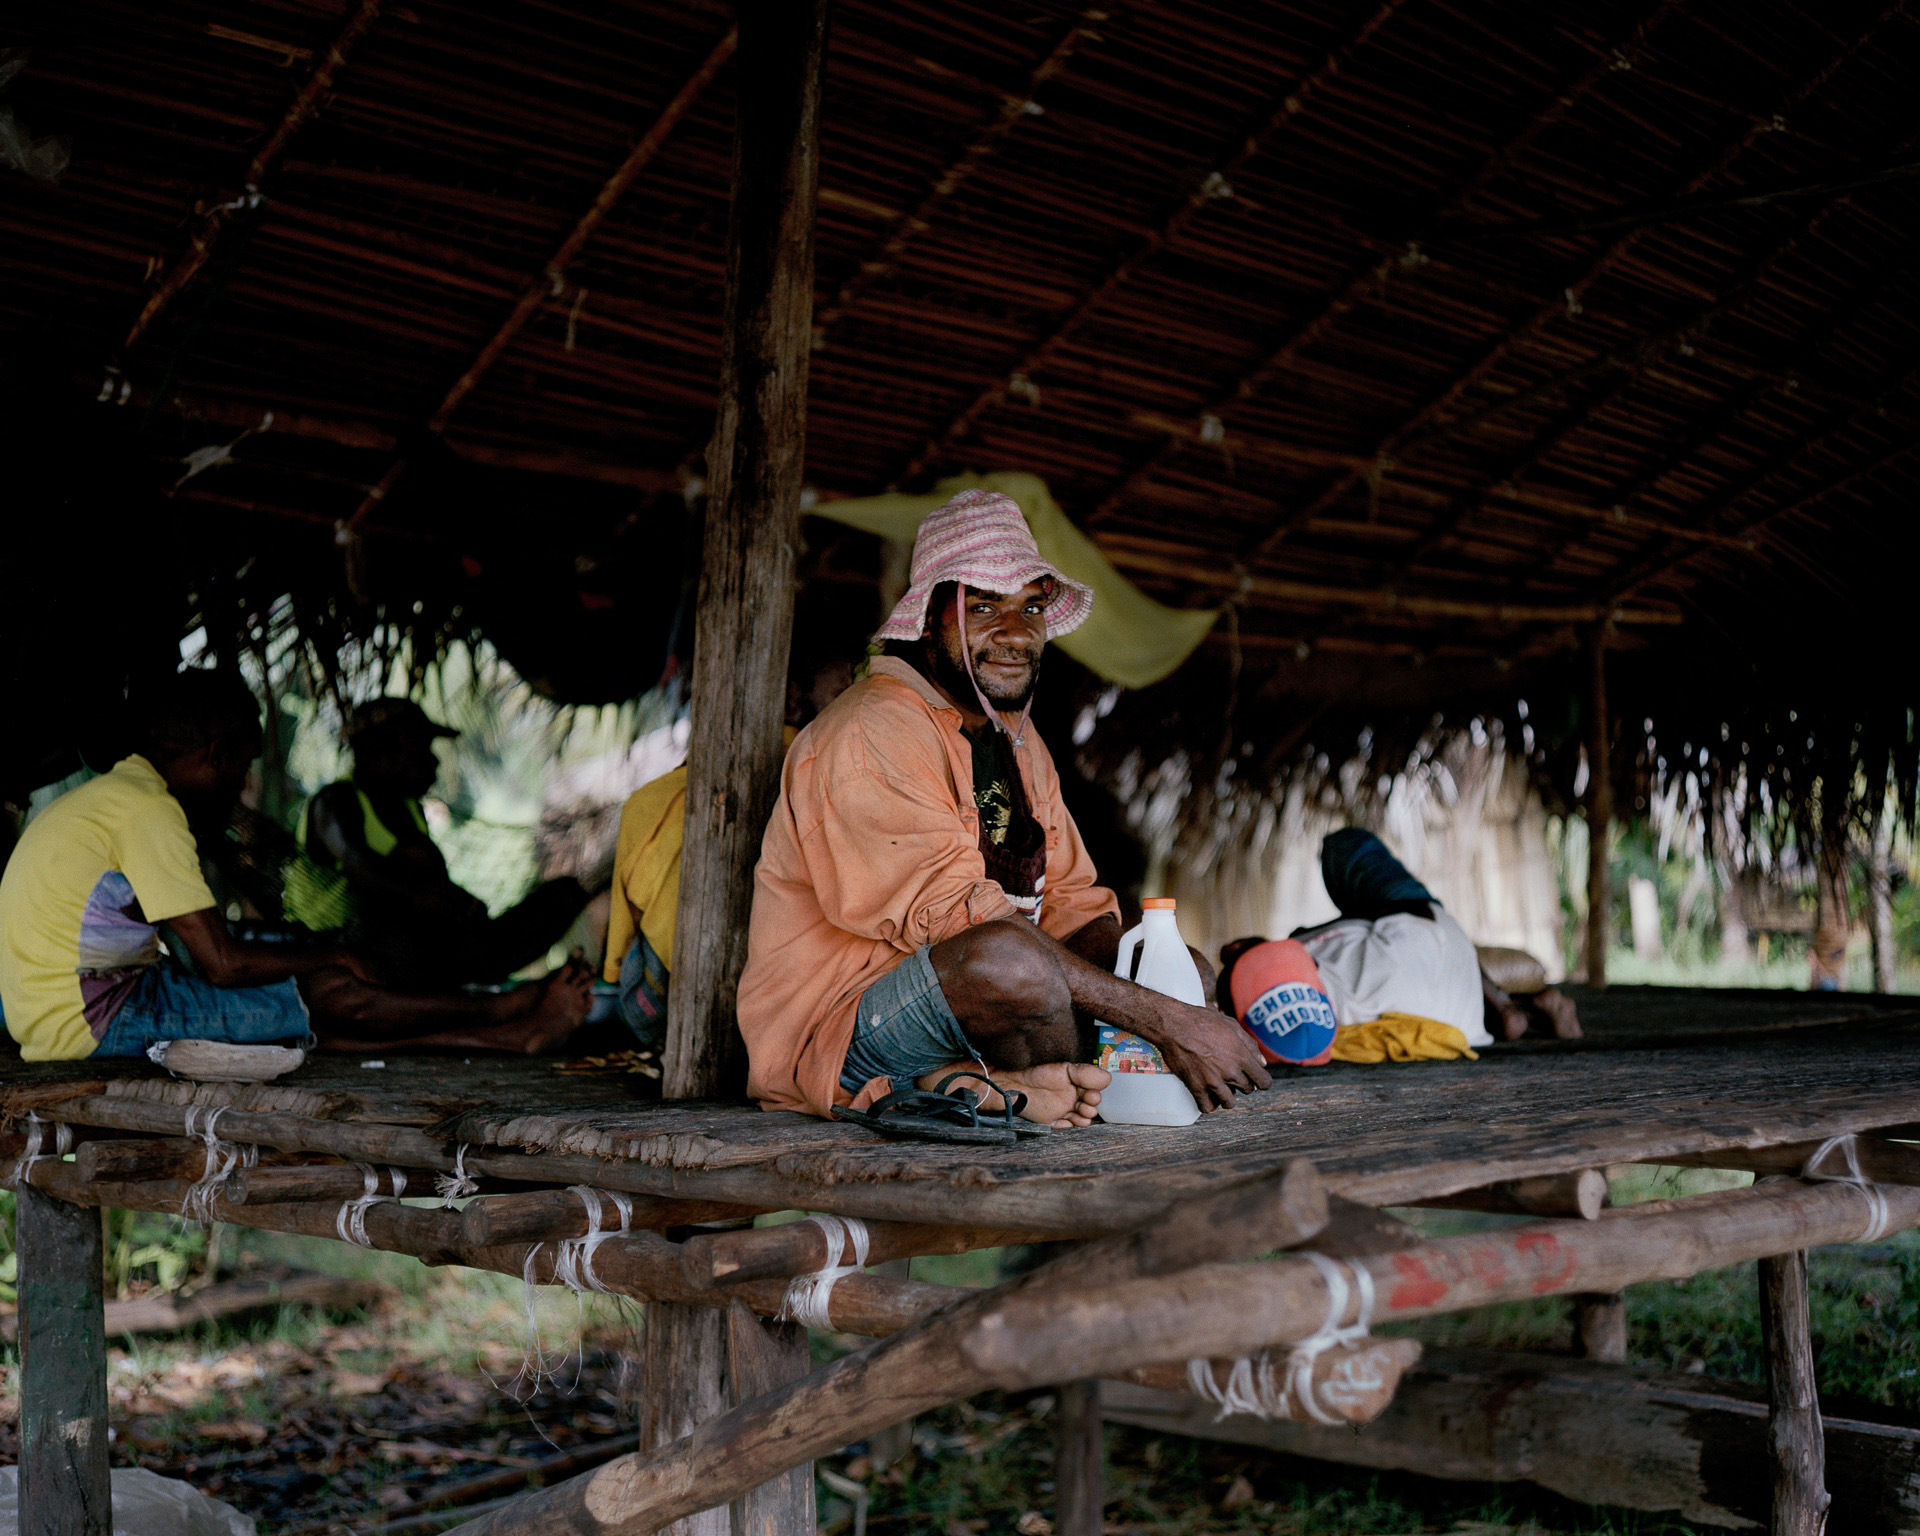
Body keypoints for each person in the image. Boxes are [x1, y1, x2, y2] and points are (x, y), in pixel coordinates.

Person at [737, 488, 1271, 1128]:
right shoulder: (870, 731)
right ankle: (1042, 1094)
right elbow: (963, 929)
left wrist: (1168, 985)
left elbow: (1073, 901)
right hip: (842, 1035)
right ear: (929, 617)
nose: (1015, 632)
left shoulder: (1015, 737)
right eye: (985, 607)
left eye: (1032, 607)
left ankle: (1014, 1088)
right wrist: (1167, 1021)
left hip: (983, 1007)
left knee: (1183, 968)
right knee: (1008, 962)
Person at [0, 672, 588, 1062]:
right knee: (325, 988)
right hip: (95, 1021)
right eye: (243, 765)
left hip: (59, 1015)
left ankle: (505, 1032)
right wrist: (335, 952)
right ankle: (505, 1010)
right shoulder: (148, 814)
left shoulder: (119, 796)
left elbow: (197, 959)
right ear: (214, 756)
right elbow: (223, 965)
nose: (244, 783)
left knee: (305, 1023)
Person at [287, 699, 598, 989]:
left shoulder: (410, 809)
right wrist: (419, 896)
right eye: (420, 747)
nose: (433, 760)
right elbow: (357, 863)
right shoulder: (335, 801)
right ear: (377, 751)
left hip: (415, 948)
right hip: (344, 949)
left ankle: (477, 978)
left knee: (562, 896)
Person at [1217, 827, 1581, 1048]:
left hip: (1436, 1016)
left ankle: (1504, 1009)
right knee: (1353, 856)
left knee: (1322, 947)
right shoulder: (1423, 918)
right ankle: (1505, 1006)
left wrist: (1283, 944)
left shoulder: (1321, 1001)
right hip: (1448, 989)